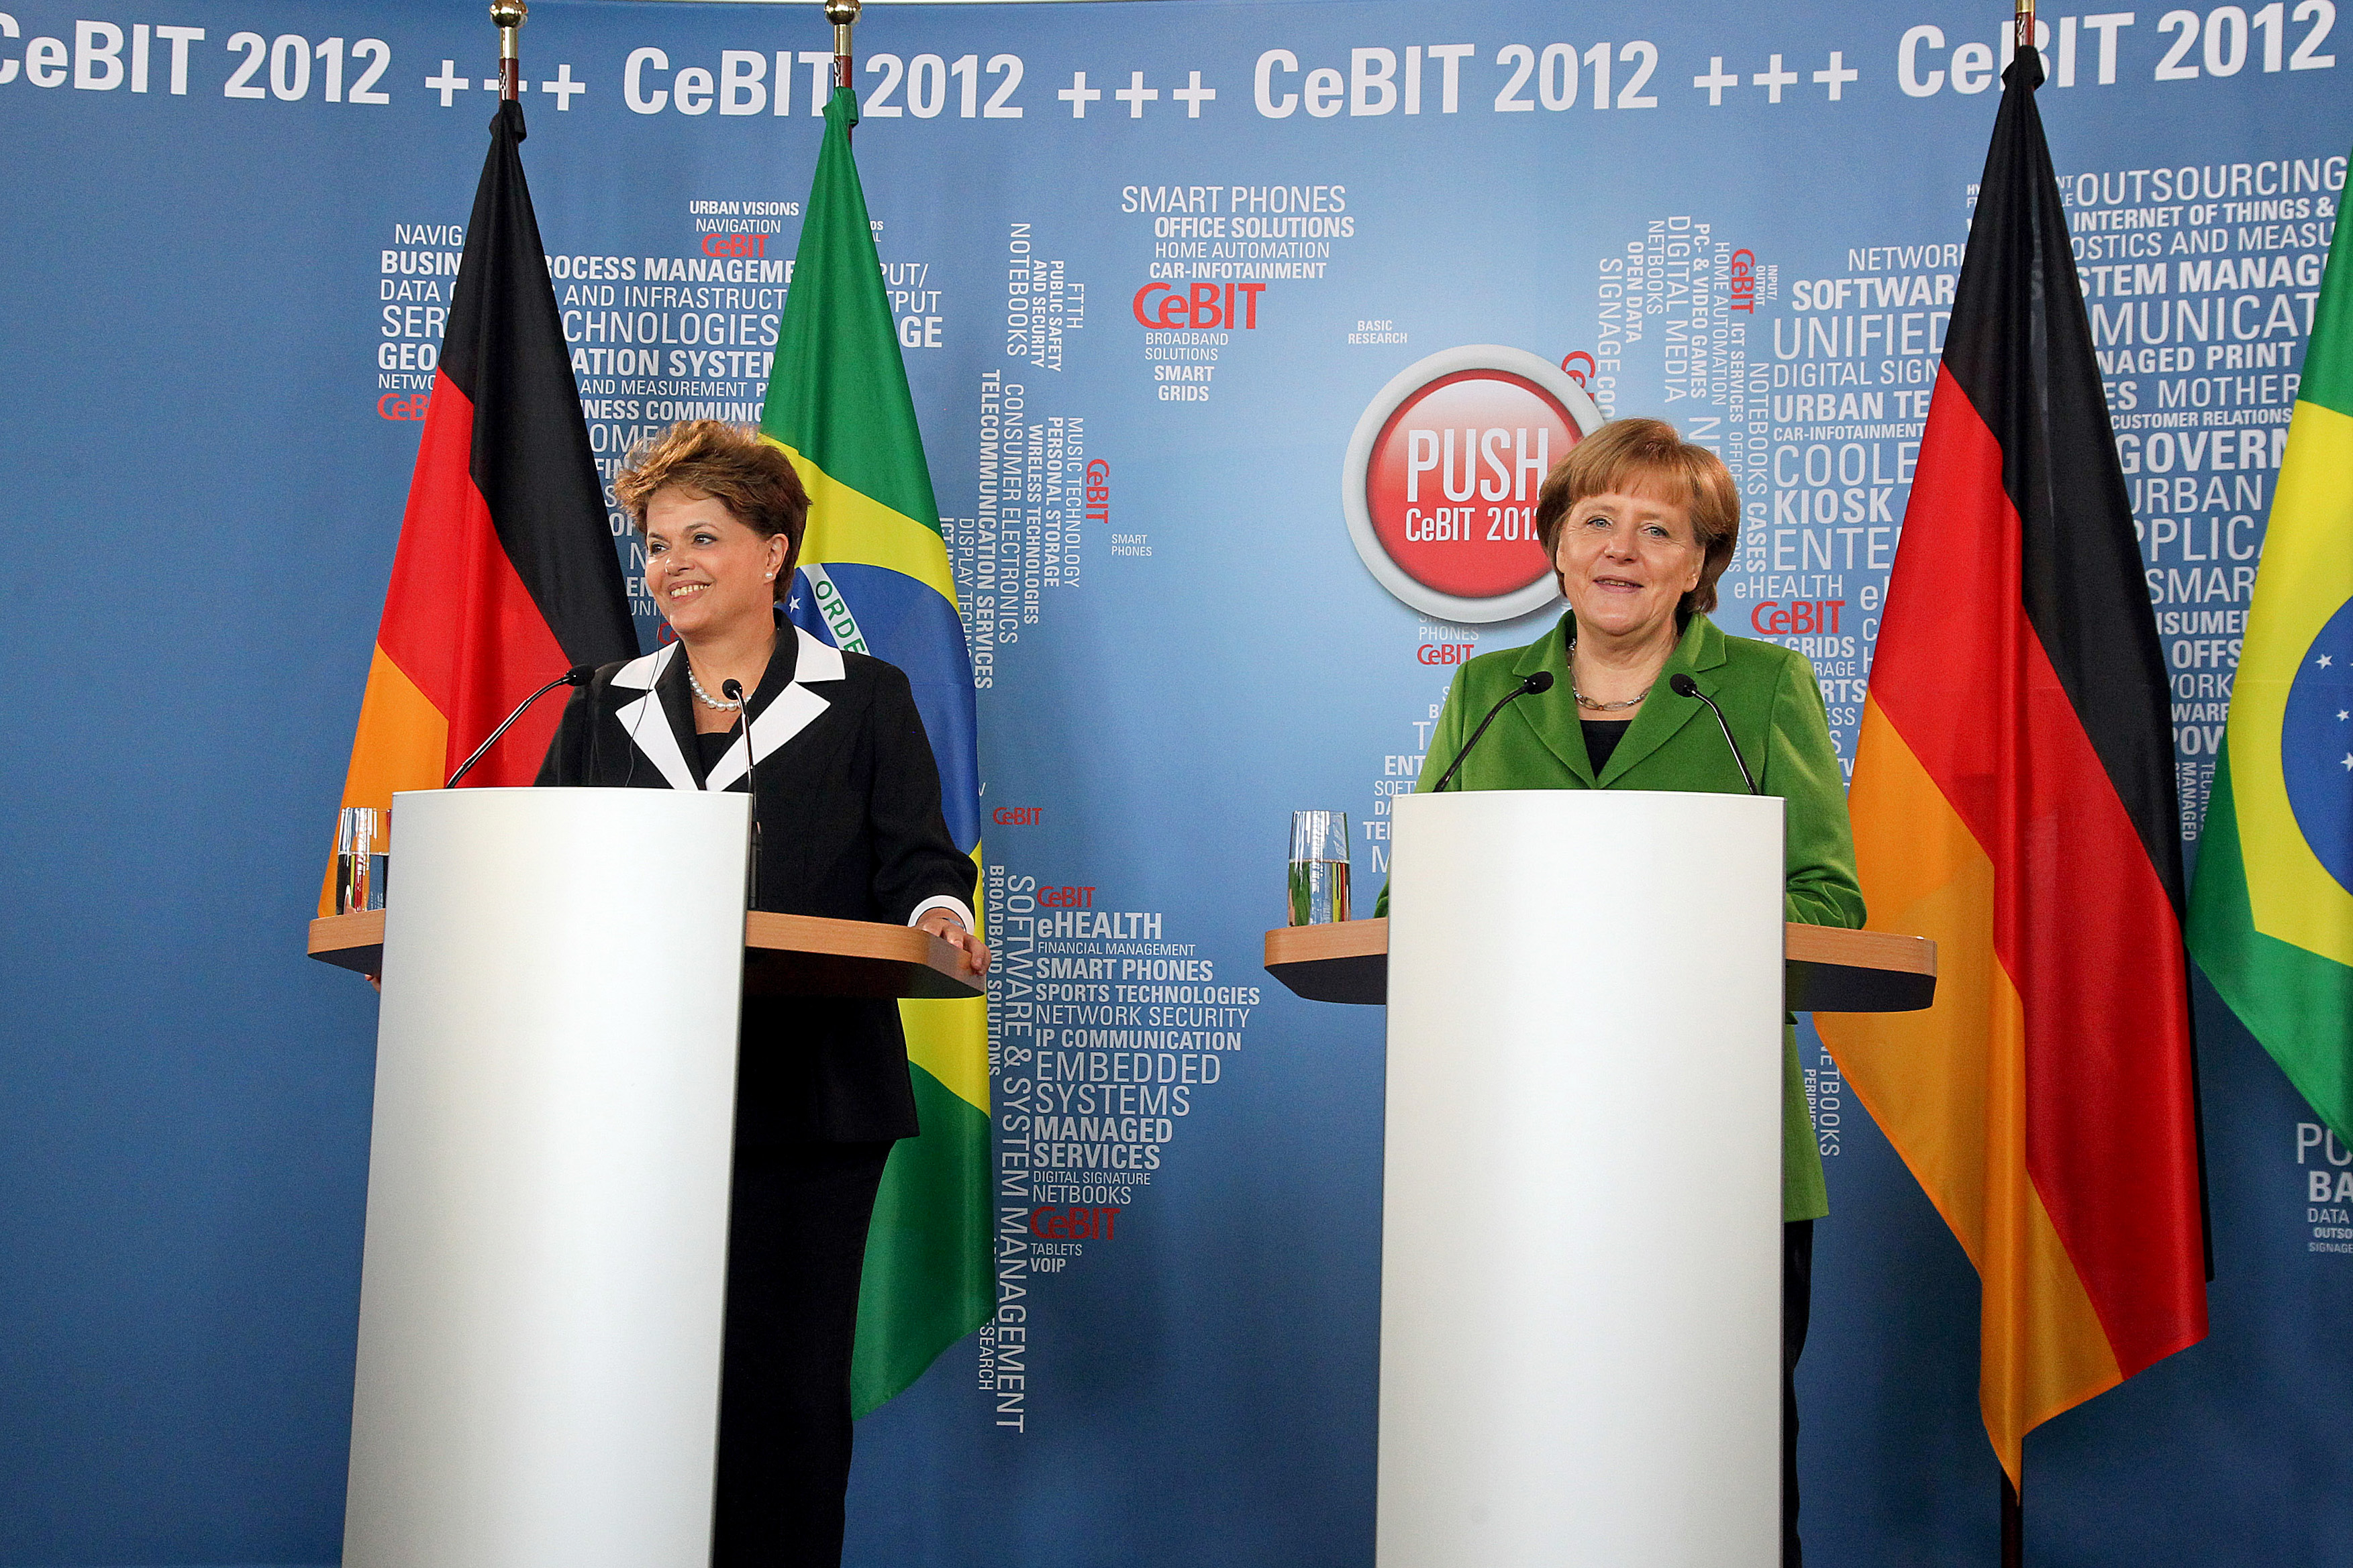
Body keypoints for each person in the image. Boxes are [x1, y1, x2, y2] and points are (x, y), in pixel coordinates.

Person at [1379, 416, 1860, 1565]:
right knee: (1519, 1466)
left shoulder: (1763, 688)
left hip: (1716, 1157)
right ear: (1555, 545)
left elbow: (1829, 904)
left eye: (1658, 529)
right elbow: (1413, 903)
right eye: (1596, 520)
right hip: (1510, 1165)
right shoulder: (1488, 691)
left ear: (1699, 565)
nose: (1621, 549)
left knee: (1717, 1479)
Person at [536, 419, 987, 1568]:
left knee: (781, 1395)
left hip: (809, 1098)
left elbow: (922, 863)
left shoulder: (864, 697)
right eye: (655, 543)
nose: (670, 564)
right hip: (629, 1107)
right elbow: (539, 870)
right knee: (628, 1390)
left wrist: (941, 914)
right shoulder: (601, 702)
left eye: (701, 536)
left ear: (773, 550)